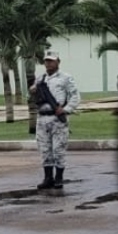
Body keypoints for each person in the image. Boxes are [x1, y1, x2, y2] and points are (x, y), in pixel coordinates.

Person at [31, 51, 80, 190]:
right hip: (42, 118)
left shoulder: (65, 78)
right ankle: (48, 178)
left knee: (58, 149)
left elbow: (75, 96)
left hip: (57, 117)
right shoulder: (40, 79)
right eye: (46, 61)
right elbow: (32, 99)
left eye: (51, 61)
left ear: (58, 62)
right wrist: (32, 91)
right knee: (44, 149)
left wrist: (66, 109)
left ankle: (59, 177)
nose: (48, 63)